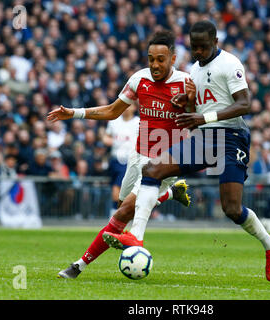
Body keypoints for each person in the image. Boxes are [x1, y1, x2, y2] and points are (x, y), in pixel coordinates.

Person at [103, 21, 270, 282]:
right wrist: (186, 103)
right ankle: (136, 237)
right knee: (152, 169)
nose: (197, 52)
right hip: (205, 138)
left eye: (203, 47)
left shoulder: (230, 64)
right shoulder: (194, 72)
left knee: (232, 209)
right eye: (194, 47)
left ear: (215, 42)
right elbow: (195, 109)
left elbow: (245, 104)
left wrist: (203, 117)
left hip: (231, 139)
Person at [47, 30, 194, 278]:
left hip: (166, 160)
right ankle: (170, 194)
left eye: (161, 59)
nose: (155, 64)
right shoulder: (138, 80)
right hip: (138, 156)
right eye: (151, 59)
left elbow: (198, 119)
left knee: (124, 211)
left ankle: (78, 266)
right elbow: (113, 111)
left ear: (173, 58)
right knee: (124, 209)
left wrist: (190, 102)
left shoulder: (187, 83)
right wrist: (73, 113)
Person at [103, 104, 140, 217]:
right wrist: (113, 141)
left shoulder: (138, 122)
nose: (126, 108)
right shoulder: (114, 122)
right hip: (115, 160)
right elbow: (106, 138)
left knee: (118, 188)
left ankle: (115, 214)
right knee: (118, 188)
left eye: (129, 106)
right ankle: (119, 214)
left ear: (134, 107)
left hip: (130, 160)